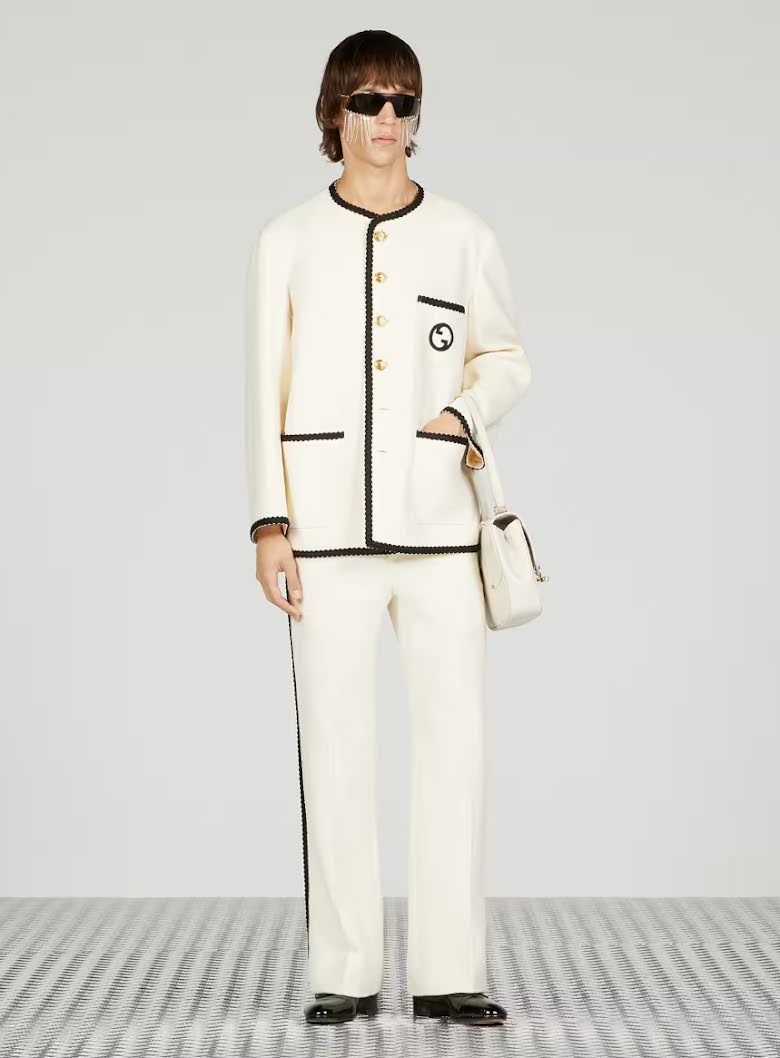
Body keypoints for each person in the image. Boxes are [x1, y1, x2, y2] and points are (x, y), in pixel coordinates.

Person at [244, 29, 532, 1026]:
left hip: (441, 532)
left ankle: (451, 970)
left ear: (417, 117)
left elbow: (505, 356)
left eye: (402, 102)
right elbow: (262, 387)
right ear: (334, 112)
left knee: (456, 745)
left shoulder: (463, 234)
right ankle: (346, 969)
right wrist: (269, 523)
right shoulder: (286, 241)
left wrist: (464, 411)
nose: (386, 119)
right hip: (322, 535)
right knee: (335, 747)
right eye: (367, 101)